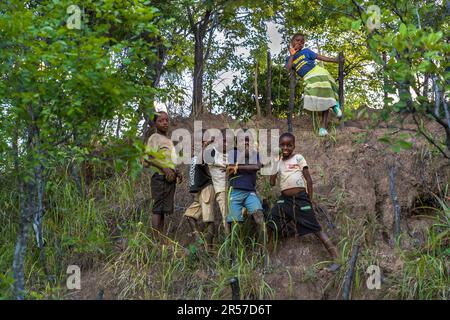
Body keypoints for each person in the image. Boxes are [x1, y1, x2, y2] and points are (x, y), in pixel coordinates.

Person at [267, 132, 340, 270]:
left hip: (301, 198)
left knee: (316, 229)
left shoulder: (298, 158)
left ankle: (336, 257)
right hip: (284, 200)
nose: (286, 148)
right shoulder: (279, 162)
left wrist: (310, 199)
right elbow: (271, 183)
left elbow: (309, 180)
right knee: (271, 224)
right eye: (283, 145)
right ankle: (268, 259)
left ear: (294, 146)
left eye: (289, 145)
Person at [286, 33, 342, 137]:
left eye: (302, 42)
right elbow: (289, 69)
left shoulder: (306, 51)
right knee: (320, 97)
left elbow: (320, 57)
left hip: (318, 72)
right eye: (297, 40)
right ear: (292, 42)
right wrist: (292, 55)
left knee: (325, 88)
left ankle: (324, 125)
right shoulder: (290, 58)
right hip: (308, 78)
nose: (299, 43)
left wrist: (336, 60)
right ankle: (334, 105)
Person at [143, 111, 182, 240]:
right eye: (161, 120)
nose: (165, 122)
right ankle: (156, 240)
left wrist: (176, 171)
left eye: (166, 120)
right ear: (155, 123)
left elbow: (168, 160)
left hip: (169, 178)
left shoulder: (168, 140)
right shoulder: (154, 138)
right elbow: (149, 158)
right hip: (159, 177)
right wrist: (164, 169)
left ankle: (162, 239)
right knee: (157, 209)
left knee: (163, 210)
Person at [226, 132, 266, 243]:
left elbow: (257, 166)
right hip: (235, 192)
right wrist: (247, 166)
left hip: (250, 192)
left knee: (259, 216)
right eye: (243, 140)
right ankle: (233, 252)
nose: (246, 143)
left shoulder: (255, 154)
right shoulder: (233, 152)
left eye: (248, 140)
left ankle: (263, 249)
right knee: (235, 224)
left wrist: (237, 167)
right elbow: (229, 168)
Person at [184, 131, 216, 251]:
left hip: (207, 188)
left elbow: (202, 163)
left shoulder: (208, 152)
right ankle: (200, 242)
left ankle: (210, 249)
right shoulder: (194, 156)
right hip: (198, 192)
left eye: (199, 141)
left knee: (208, 219)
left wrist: (205, 146)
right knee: (189, 216)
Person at [207, 128, 231, 235]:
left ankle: (235, 240)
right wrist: (210, 143)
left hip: (233, 189)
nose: (226, 144)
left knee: (236, 215)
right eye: (224, 140)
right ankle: (229, 244)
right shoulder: (212, 152)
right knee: (226, 218)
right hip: (221, 190)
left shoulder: (232, 153)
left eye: (229, 141)